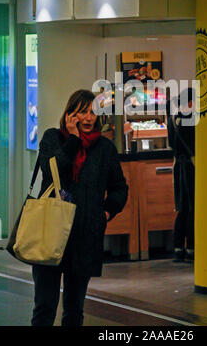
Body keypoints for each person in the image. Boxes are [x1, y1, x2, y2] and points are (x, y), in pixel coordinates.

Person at [31, 89, 128, 326]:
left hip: (85, 235)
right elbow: (53, 171)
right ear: (69, 113)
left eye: (93, 112)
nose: (88, 118)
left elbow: (119, 187)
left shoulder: (105, 149)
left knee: (74, 310)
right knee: (45, 306)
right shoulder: (52, 138)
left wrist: (105, 213)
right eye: (82, 112)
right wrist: (73, 139)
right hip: (50, 233)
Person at [167, 88, 195, 263]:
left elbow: (171, 143)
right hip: (191, 166)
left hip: (178, 165)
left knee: (182, 208)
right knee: (193, 207)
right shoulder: (192, 120)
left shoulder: (173, 119)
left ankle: (178, 248)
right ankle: (192, 248)